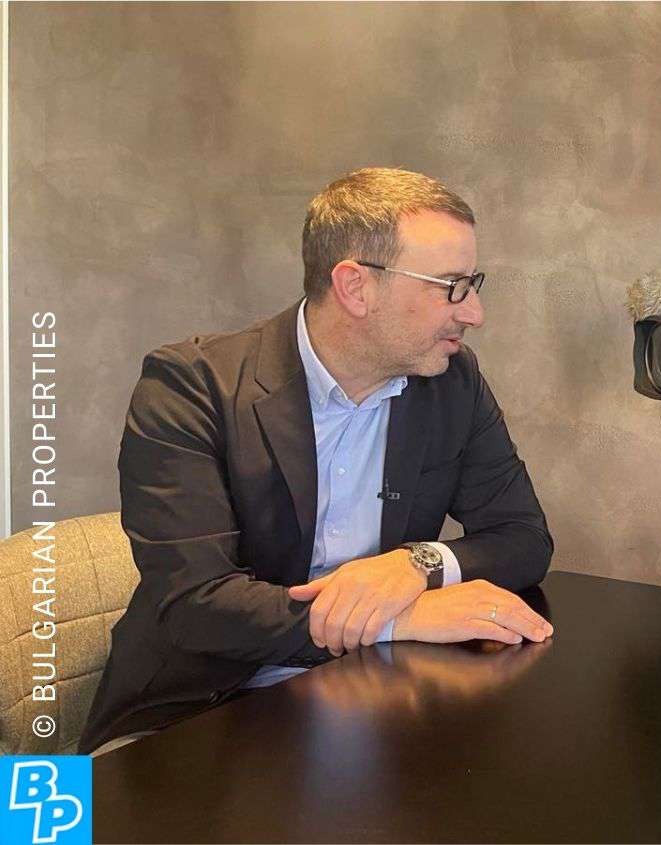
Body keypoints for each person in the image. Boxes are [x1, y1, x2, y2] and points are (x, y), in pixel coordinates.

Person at [81, 168, 554, 753]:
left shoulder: (451, 381)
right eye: (451, 286)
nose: (473, 312)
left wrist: (416, 565)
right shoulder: (190, 387)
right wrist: (399, 619)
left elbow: (524, 538)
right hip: (192, 715)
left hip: (367, 691)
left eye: (472, 284)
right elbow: (195, 605)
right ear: (355, 287)